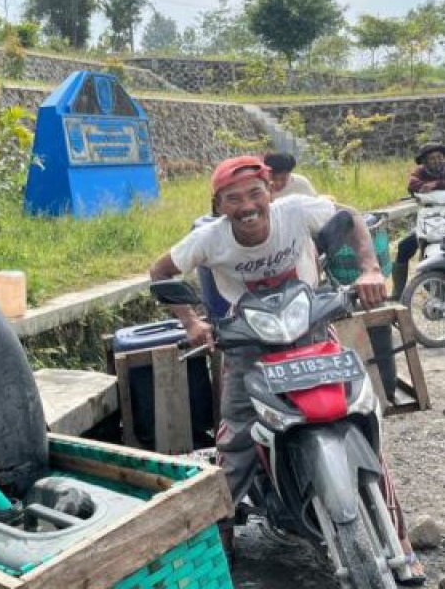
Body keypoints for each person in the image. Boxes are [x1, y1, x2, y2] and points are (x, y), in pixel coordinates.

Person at [148, 155, 425, 585]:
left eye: (255, 193)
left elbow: (348, 216)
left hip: (311, 330)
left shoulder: (296, 211)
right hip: (248, 344)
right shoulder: (210, 239)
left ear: (270, 192)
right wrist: (193, 323)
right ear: (220, 205)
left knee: (360, 417)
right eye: (233, 198)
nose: (247, 205)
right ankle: (220, 537)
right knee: (236, 437)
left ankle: (401, 542)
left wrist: (370, 268)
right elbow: (160, 270)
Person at [390, 143, 445, 298]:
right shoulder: (420, 172)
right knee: (404, 247)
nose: (437, 161)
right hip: (430, 221)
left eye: (439, 157)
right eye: (432, 159)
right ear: (424, 161)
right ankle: (397, 292)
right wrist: (423, 186)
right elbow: (413, 184)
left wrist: (437, 184)